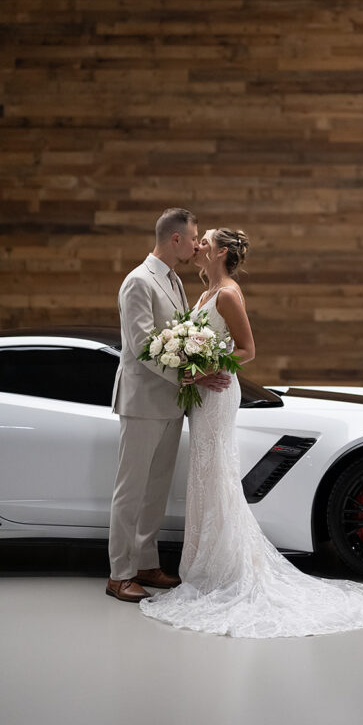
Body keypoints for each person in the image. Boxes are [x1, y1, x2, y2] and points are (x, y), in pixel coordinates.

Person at [140, 227, 363, 637]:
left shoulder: (228, 294)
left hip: (217, 393)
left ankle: (226, 568)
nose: (197, 246)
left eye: (205, 242)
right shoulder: (203, 294)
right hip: (202, 395)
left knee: (215, 473)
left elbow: (246, 350)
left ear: (218, 254)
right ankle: (204, 564)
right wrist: (188, 364)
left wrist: (203, 367)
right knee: (205, 476)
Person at [107, 208, 230, 603]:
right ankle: (119, 574)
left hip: (171, 403)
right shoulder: (137, 282)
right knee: (131, 491)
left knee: (155, 491)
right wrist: (190, 378)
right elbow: (144, 348)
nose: (197, 245)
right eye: (194, 237)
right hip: (143, 401)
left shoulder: (175, 280)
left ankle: (145, 564)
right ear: (176, 239)